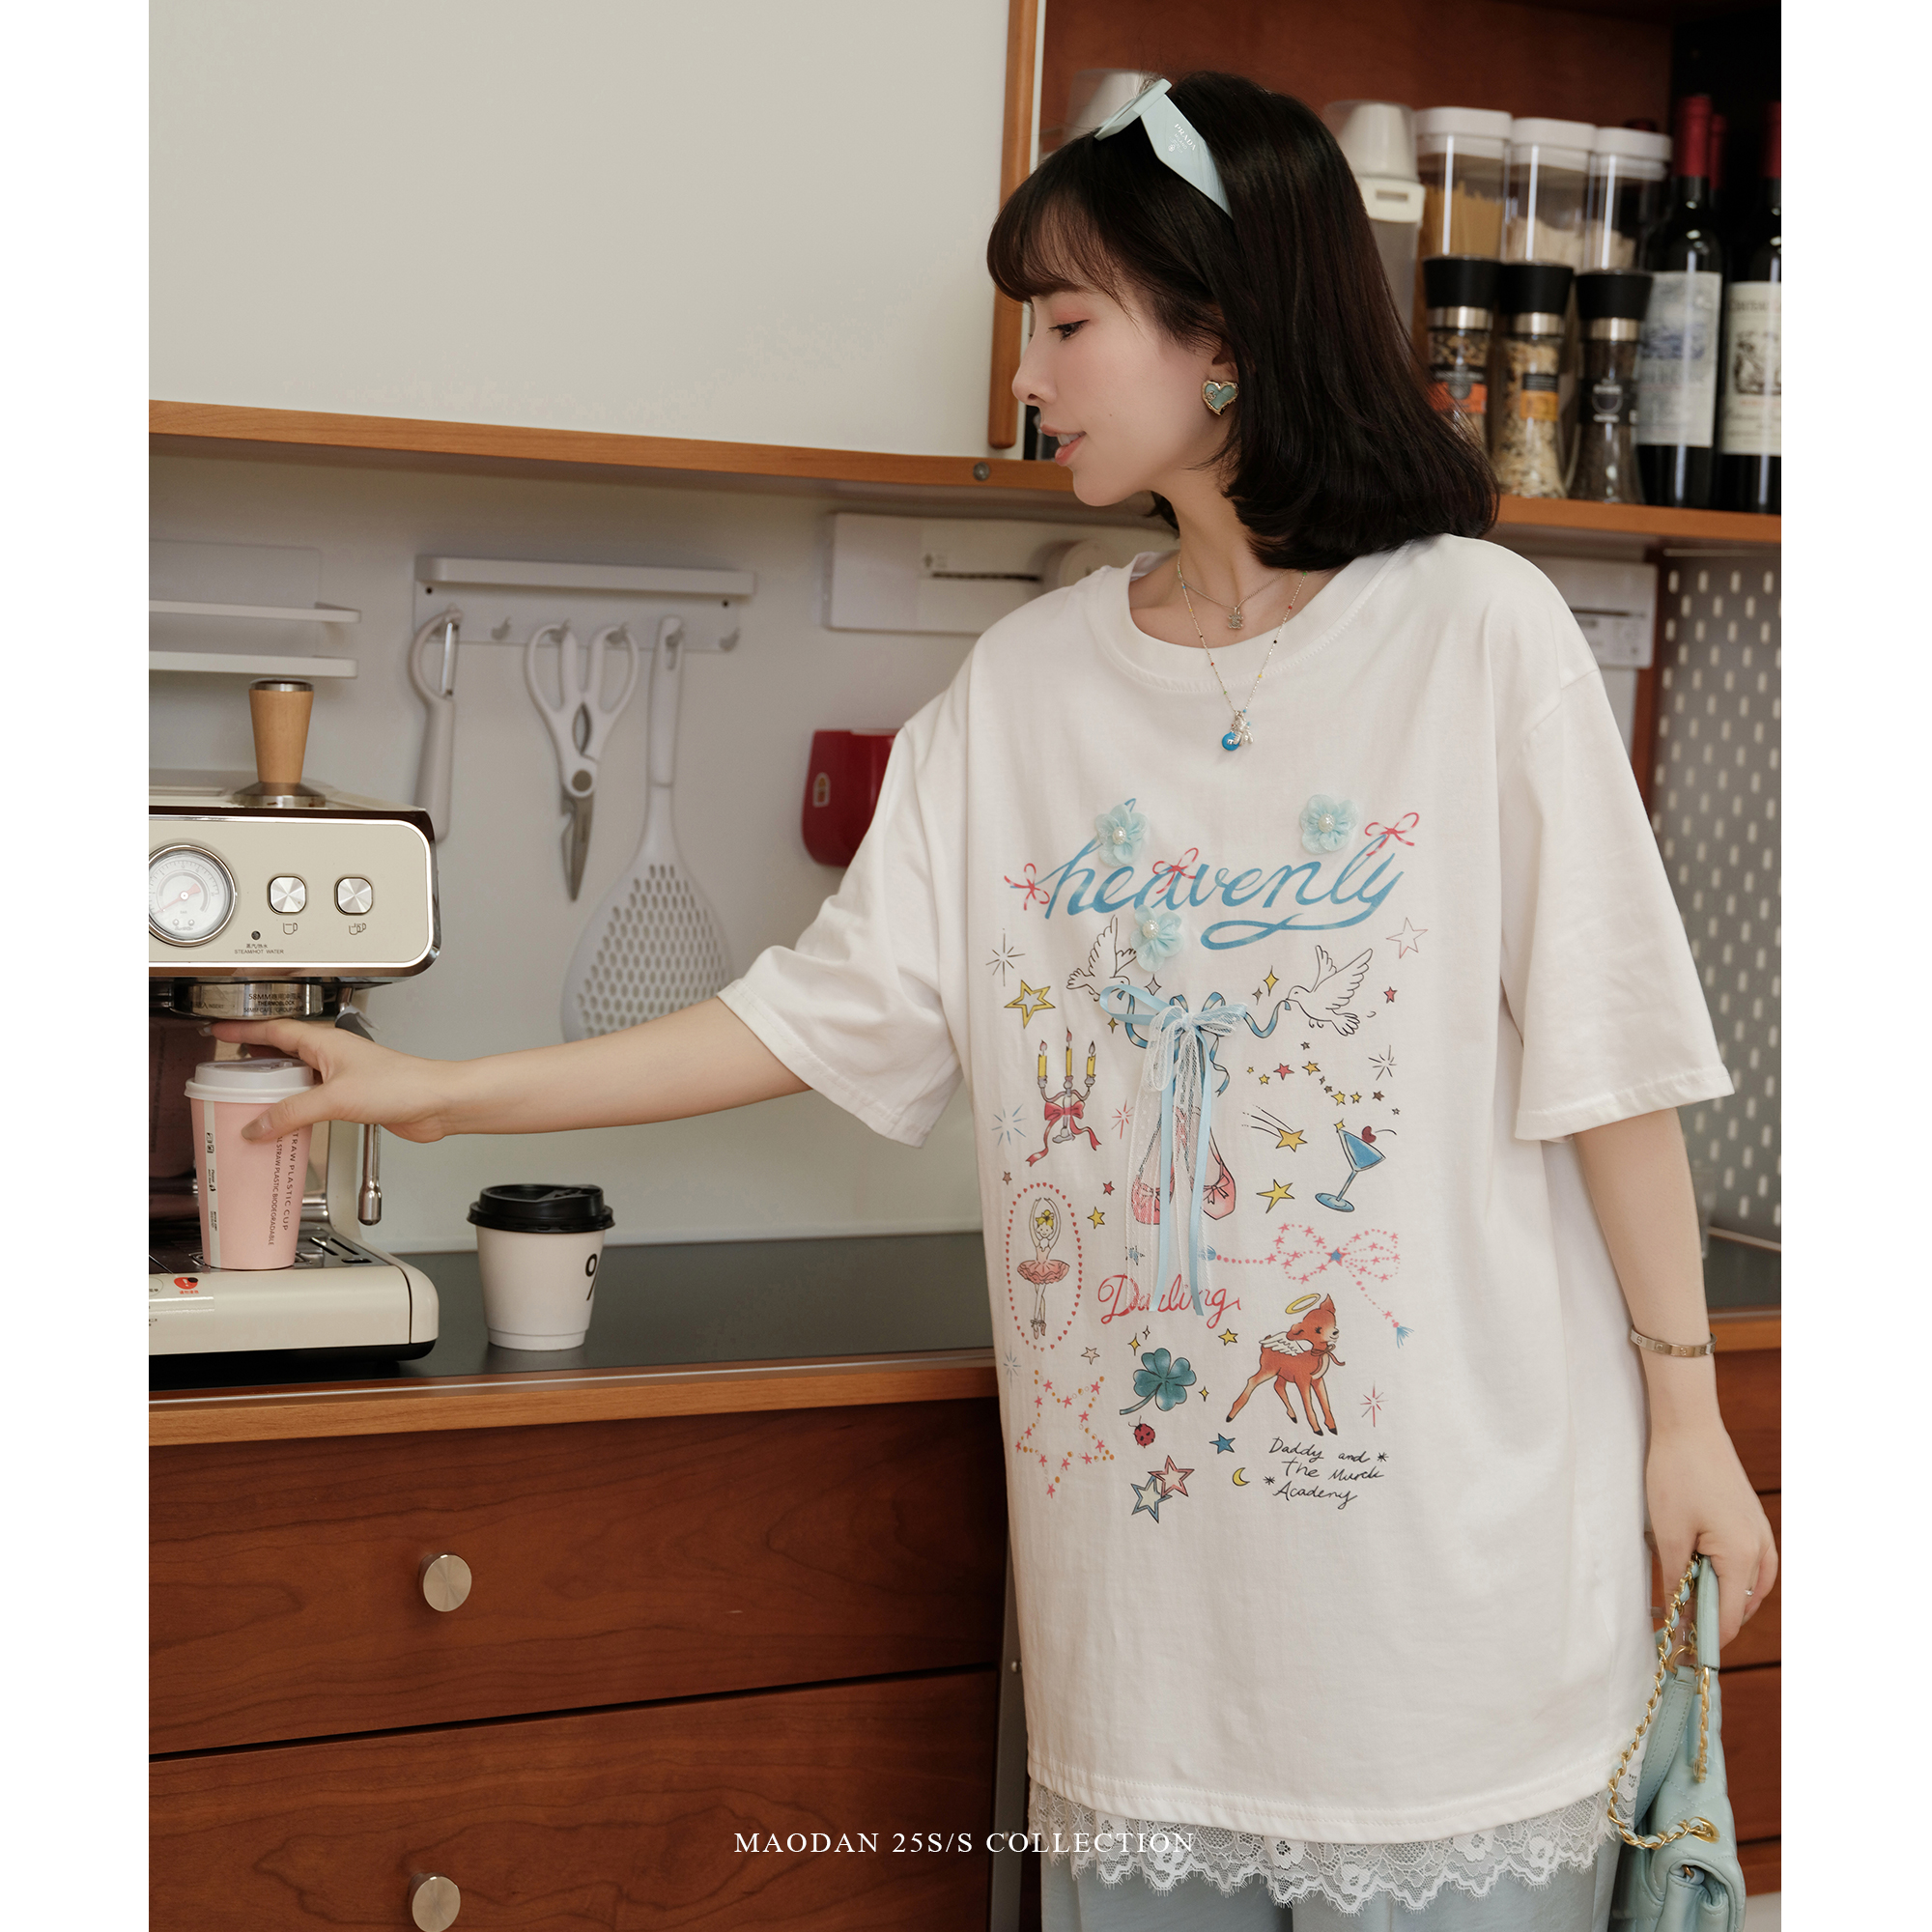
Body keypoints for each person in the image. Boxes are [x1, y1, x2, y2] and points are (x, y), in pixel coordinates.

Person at [215, 71, 1776, 1932]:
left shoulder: (1477, 634)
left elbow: (1611, 1063)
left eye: (1064, 322)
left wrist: (1689, 1422)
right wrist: (437, 1090)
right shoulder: (1025, 690)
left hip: (1455, 1614)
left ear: (1223, 332)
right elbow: (807, 1017)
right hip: (1153, 1649)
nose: (1028, 375)